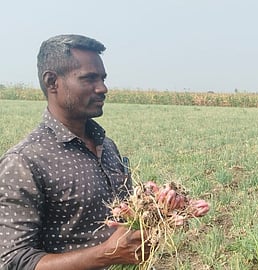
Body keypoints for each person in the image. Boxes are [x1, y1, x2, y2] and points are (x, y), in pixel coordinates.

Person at [0, 34, 184, 270]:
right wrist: (107, 254)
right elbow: (15, 261)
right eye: (89, 79)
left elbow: (123, 216)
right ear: (52, 82)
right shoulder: (24, 161)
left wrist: (159, 208)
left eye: (103, 78)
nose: (102, 88)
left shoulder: (106, 146)